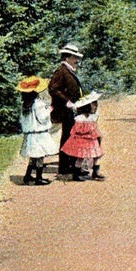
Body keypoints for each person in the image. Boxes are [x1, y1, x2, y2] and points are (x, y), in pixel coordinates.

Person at [49, 42, 84, 176]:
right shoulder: (61, 71)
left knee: (71, 136)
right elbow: (53, 88)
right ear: (67, 57)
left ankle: (69, 164)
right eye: (74, 57)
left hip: (71, 109)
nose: (77, 61)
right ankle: (64, 166)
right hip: (65, 110)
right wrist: (67, 101)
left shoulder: (67, 70)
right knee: (67, 137)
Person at [17, 76, 55, 185]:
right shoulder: (38, 104)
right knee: (39, 156)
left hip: (30, 135)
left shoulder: (25, 105)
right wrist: (49, 110)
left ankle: (28, 176)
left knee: (33, 156)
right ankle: (39, 178)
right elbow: (42, 118)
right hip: (39, 134)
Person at [60, 91, 105, 181]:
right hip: (88, 140)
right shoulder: (82, 118)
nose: (95, 108)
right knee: (82, 157)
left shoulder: (89, 117)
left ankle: (94, 173)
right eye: (93, 105)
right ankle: (78, 174)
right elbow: (91, 129)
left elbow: (75, 130)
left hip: (89, 140)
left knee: (95, 156)